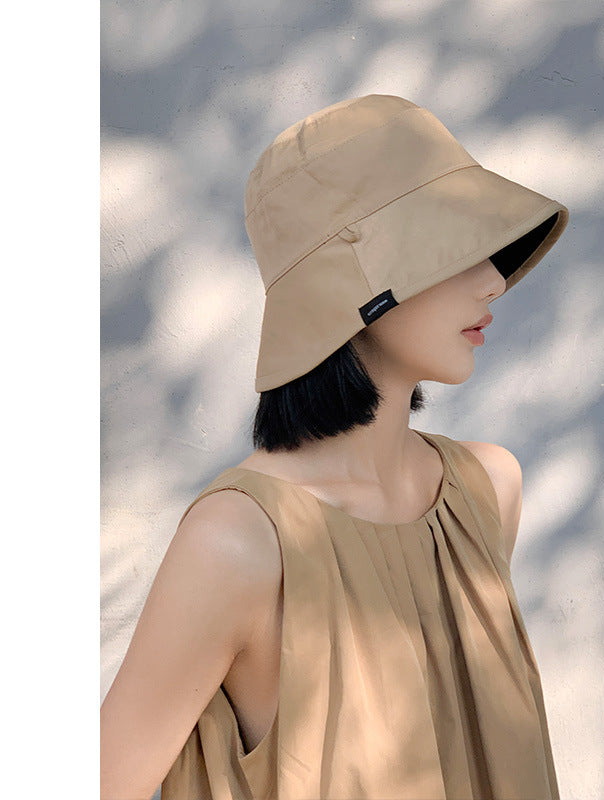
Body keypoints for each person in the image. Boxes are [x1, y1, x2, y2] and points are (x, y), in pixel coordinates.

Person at [100, 94, 569, 800]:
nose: (494, 281)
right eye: (452, 248)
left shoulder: (486, 492)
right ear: (354, 285)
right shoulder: (239, 542)